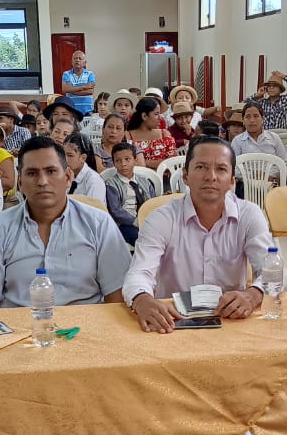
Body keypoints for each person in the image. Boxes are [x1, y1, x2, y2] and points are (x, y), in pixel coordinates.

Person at [123, 137, 274, 333]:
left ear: (232, 181)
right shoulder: (161, 219)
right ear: (185, 176)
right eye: (201, 167)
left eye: (221, 169)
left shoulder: (249, 215)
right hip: (173, 323)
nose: (211, 177)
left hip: (231, 321)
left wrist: (254, 295)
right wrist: (142, 300)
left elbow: (274, 271)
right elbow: (139, 272)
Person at [0, 137, 131, 307]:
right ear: (20, 183)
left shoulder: (99, 224)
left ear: (68, 177)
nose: (42, 182)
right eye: (32, 173)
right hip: (17, 321)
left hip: (84, 321)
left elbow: (117, 297)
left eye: (51, 171)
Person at [104, 141, 157, 246]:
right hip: (125, 224)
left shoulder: (144, 181)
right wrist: (136, 221)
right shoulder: (111, 184)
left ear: (135, 160)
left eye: (127, 159)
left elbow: (153, 202)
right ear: (113, 163)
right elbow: (115, 211)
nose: (123, 164)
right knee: (143, 238)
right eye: (118, 161)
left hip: (147, 221)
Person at [232, 101, 287, 171]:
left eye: (256, 116)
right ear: (243, 120)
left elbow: (284, 163)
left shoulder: (274, 138)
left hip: (272, 177)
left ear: (262, 119)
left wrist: (268, 175)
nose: (252, 120)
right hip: (246, 177)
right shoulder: (237, 141)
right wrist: (251, 175)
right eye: (247, 117)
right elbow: (233, 167)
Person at [126, 97, 175, 170]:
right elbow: (127, 162)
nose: (160, 118)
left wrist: (142, 162)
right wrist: (159, 163)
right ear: (144, 116)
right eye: (156, 114)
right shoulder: (128, 136)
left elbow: (172, 162)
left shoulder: (164, 134)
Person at [64, 134, 106, 204]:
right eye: (63, 154)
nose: (65, 159)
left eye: (70, 156)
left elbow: (92, 209)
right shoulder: (63, 174)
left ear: (83, 158)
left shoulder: (93, 181)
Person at [60, 50, 96, 116]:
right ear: (72, 62)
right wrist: (84, 87)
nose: (77, 60)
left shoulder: (90, 74)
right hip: (71, 110)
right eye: (75, 58)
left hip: (88, 111)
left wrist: (72, 90)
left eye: (80, 58)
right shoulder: (66, 74)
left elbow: (90, 91)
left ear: (85, 62)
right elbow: (65, 89)